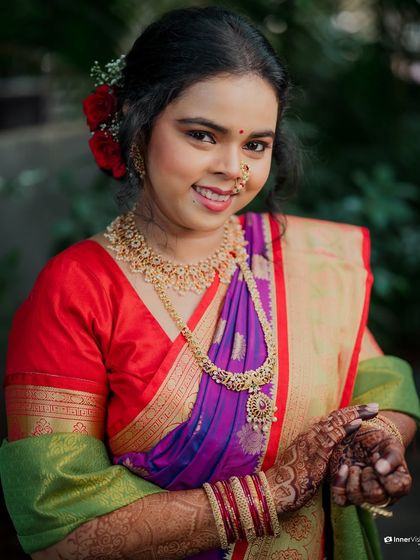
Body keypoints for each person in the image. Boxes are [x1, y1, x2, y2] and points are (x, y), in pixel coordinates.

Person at [0, 6, 419, 560]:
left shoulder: (298, 260)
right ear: (134, 124)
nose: (232, 167)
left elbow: (382, 386)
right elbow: (60, 530)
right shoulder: (77, 290)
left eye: (255, 145)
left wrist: (378, 439)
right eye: (202, 135)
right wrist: (273, 491)